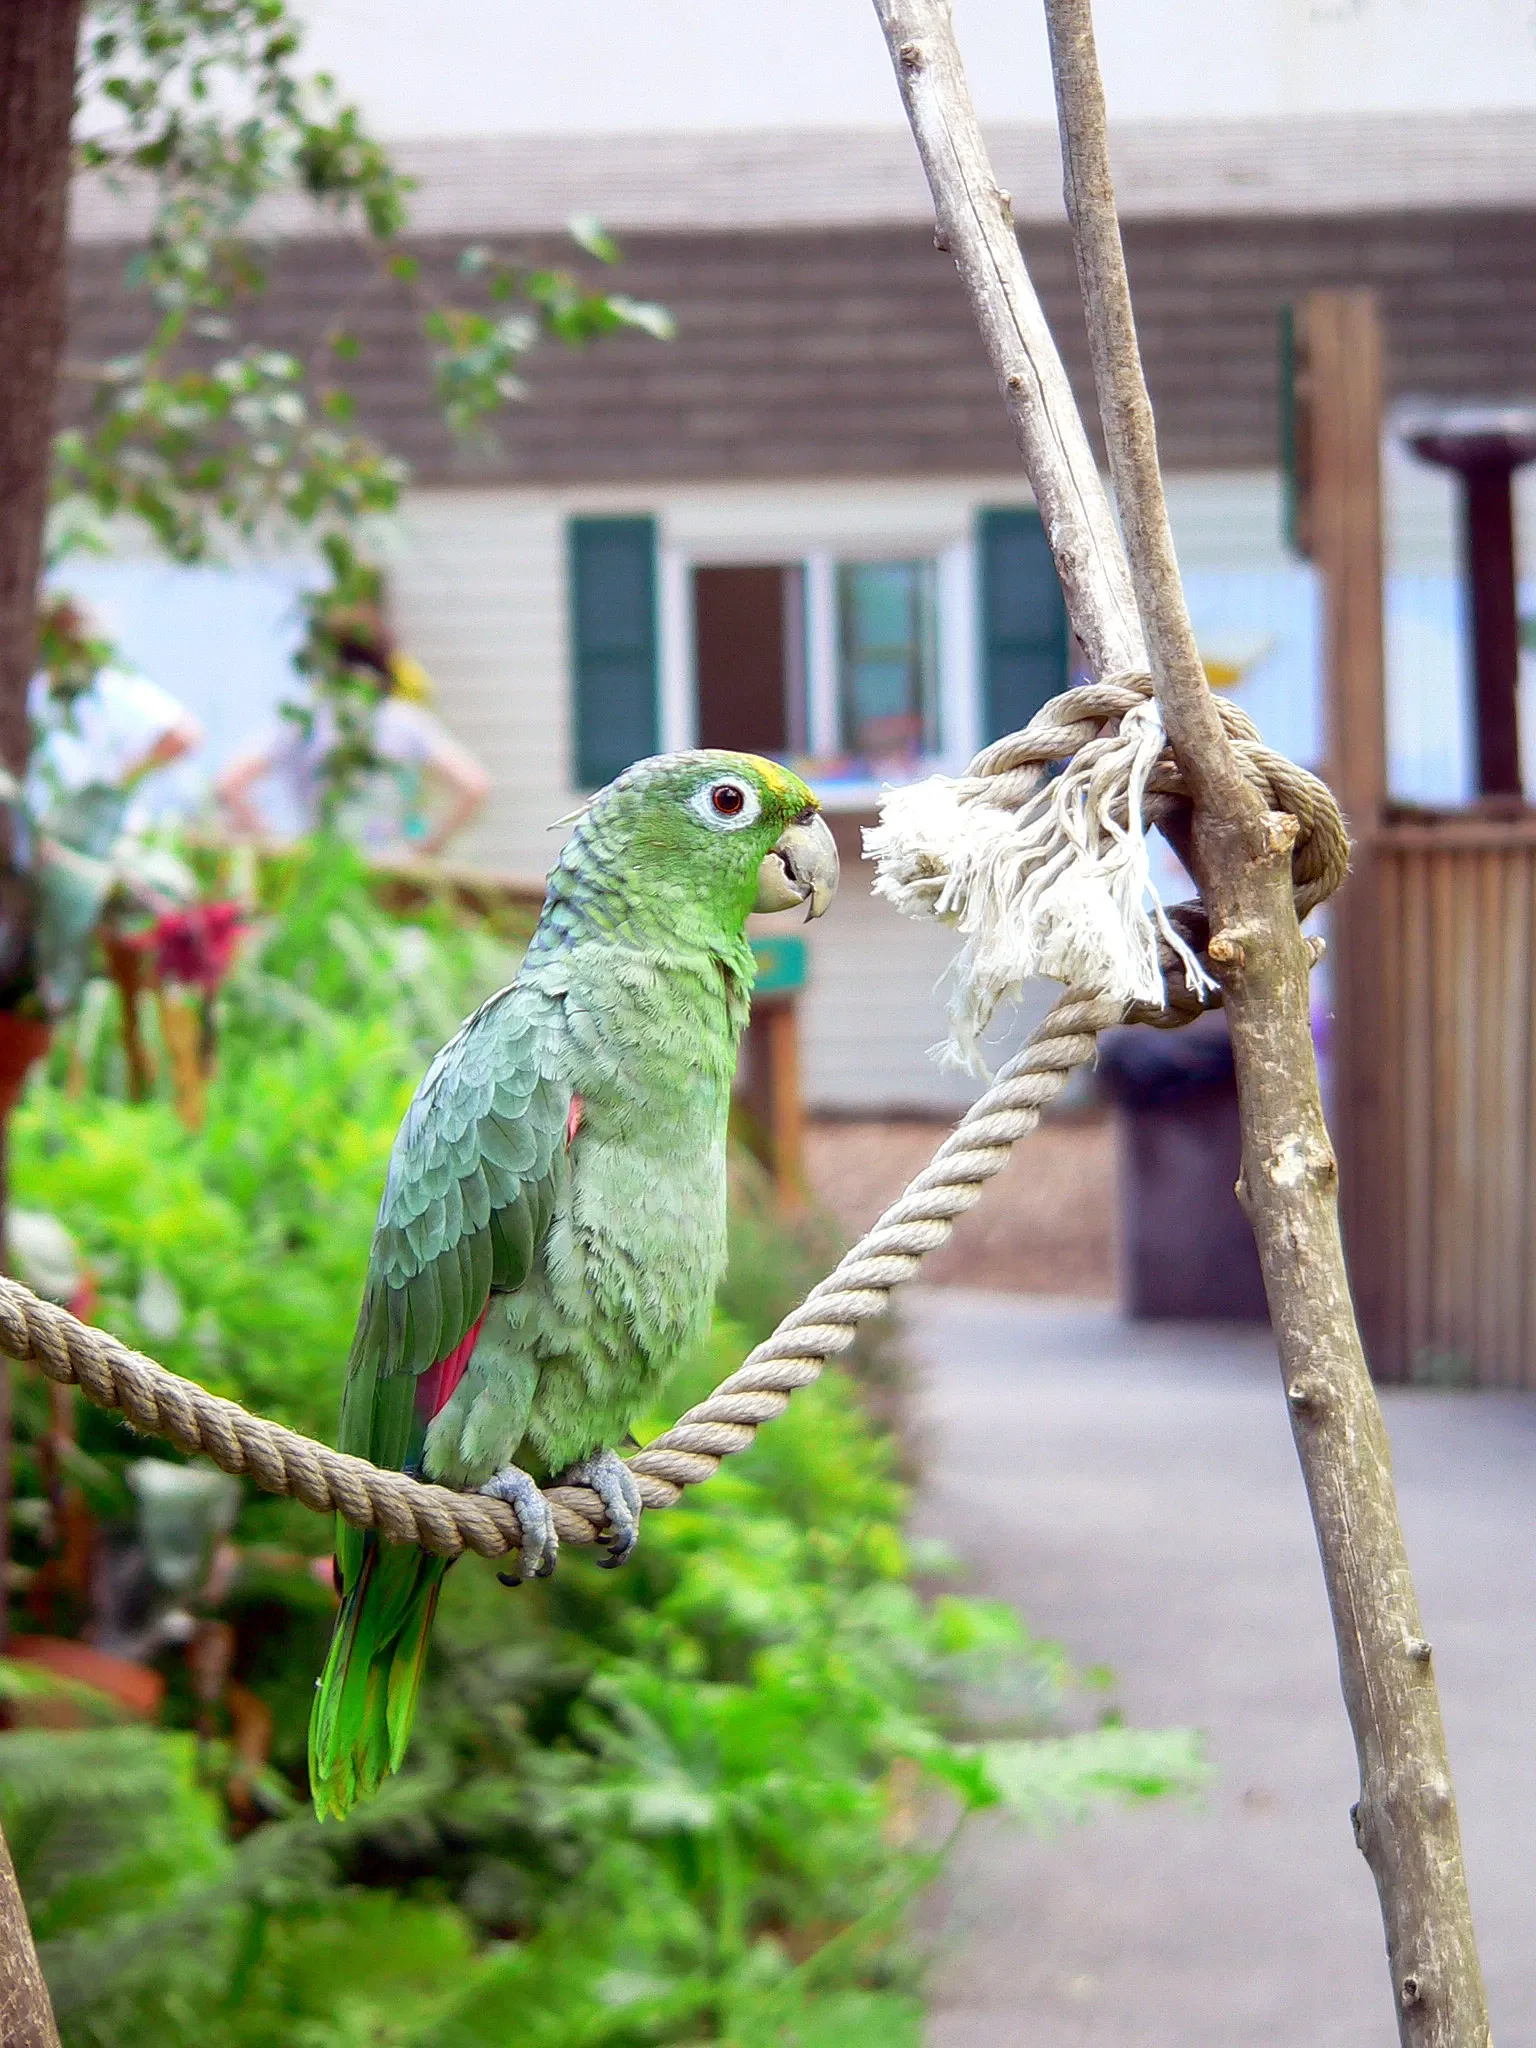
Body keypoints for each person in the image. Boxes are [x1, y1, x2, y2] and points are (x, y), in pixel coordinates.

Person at [215, 603, 489, 858]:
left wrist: (273, 845)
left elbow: (230, 783)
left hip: (319, 865)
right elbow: (474, 786)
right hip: (389, 869)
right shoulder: (402, 721)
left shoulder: (304, 720)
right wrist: (424, 853)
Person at [27, 593, 203, 836]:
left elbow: (185, 735)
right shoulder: (38, 691)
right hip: (46, 834)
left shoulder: (114, 687)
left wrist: (116, 784)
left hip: (112, 836)